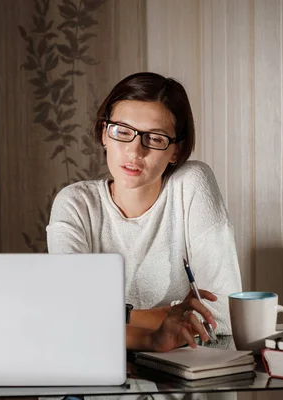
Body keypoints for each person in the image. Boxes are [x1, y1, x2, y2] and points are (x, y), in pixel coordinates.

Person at [46, 72, 242, 352]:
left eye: (155, 138)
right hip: (91, 373)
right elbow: (69, 317)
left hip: (178, 376)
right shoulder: (75, 203)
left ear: (176, 151)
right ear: (104, 133)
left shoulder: (191, 183)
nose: (135, 151)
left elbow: (223, 314)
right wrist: (159, 321)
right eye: (122, 132)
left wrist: (105, 316)